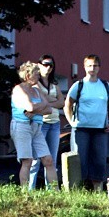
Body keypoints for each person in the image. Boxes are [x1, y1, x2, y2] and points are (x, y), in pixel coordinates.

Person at [63, 55, 109, 190]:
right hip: (81, 129)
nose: (92, 68)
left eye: (95, 65)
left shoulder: (105, 86)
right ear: (84, 67)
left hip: (101, 129)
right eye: (89, 65)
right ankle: (78, 189)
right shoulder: (79, 85)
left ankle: (97, 190)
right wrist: (71, 122)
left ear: (99, 67)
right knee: (79, 160)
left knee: (99, 160)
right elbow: (67, 105)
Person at [10, 62, 58, 188]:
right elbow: (29, 106)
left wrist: (35, 110)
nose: (39, 76)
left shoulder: (37, 90)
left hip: (37, 127)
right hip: (22, 126)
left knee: (48, 159)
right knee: (27, 161)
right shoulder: (19, 89)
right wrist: (39, 106)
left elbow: (49, 109)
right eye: (36, 74)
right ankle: (25, 194)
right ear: (27, 75)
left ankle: (55, 192)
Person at [28, 55, 65, 189]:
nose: (48, 67)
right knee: (35, 159)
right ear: (38, 65)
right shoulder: (35, 83)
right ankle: (29, 190)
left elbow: (62, 102)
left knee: (51, 160)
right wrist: (50, 101)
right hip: (40, 123)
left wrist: (48, 102)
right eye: (45, 64)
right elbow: (41, 99)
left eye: (51, 65)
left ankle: (51, 190)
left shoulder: (54, 84)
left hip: (54, 124)